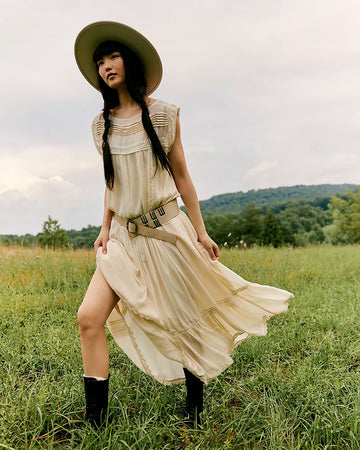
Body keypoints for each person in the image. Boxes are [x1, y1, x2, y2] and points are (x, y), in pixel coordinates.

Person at [74, 21, 293, 428]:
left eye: (113, 56)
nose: (106, 66)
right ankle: (95, 422)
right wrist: (104, 227)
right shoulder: (99, 125)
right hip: (122, 237)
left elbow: (182, 176)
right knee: (89, 317)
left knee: (183, 323)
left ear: (130, 61)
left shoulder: (163, 114)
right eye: (100, 61)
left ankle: (193, 408)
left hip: (166, 232)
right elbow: (110, 181)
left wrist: (201, 231)